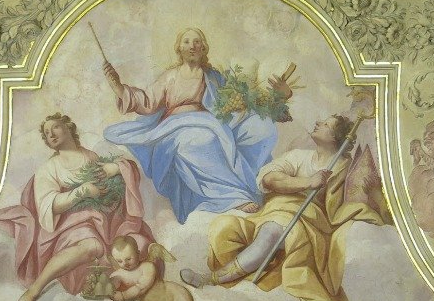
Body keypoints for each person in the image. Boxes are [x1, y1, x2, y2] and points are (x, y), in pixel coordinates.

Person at [181, 114, 386, 301]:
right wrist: (308, 182)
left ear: (335, 137)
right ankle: (232, 275)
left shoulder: (345, 168)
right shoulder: (299, 157)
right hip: (273, 211)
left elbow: (354, 200)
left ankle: (212, 279)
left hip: (308, 222)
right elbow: (270, 179)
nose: (317, 123)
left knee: (271, 233)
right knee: (226, 227)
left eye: (325, 124)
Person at [103, 27, 292, 223]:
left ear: (203, 48)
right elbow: (147, 101)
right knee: (199, 141)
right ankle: (233, 197)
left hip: (212, 124)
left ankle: (252, 185)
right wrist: (119, 88)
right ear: (179, 48)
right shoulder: (171, 76)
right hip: (176, 129)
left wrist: (280, 96)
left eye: (197, 41)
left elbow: (239, 102)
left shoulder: (214, 77)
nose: (192, 46)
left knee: (260, 127)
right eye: (186, 42)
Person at [0, 113, 155, 301]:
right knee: (91, 246)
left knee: (138, 245)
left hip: (105, 220)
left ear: (68, 128)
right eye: (46, 133)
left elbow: (125, 172)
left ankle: (135, 287)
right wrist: (82, 191)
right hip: (68, 225)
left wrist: (113, 169)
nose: (51, 134)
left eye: (55, 128)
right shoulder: (49, 168)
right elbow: (49, 204)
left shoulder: (91, 157)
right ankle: (34, 290)